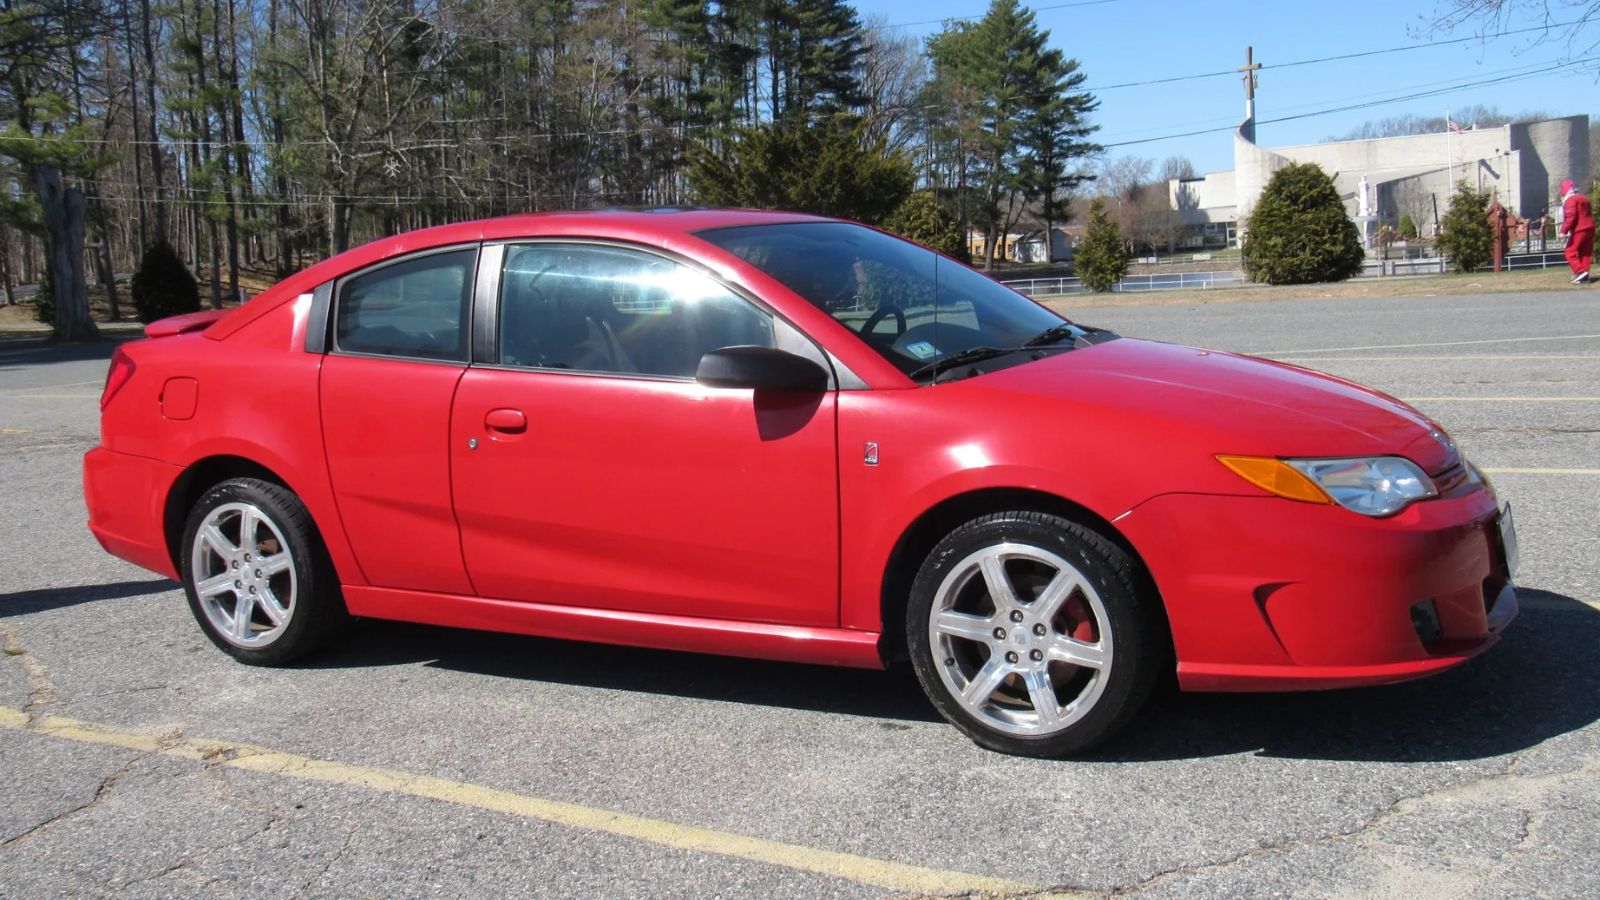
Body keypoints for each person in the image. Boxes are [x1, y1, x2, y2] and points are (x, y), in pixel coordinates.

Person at [1558, 178, 1594, 285]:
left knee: (1570, 252)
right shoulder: (1584, 198)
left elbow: (1571, 217)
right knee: (1585, 252)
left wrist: (1563, 231)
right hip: (1590, 227)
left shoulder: (1571, 200)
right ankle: (1585, 275)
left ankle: (1579, 271)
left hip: (1580, 229)